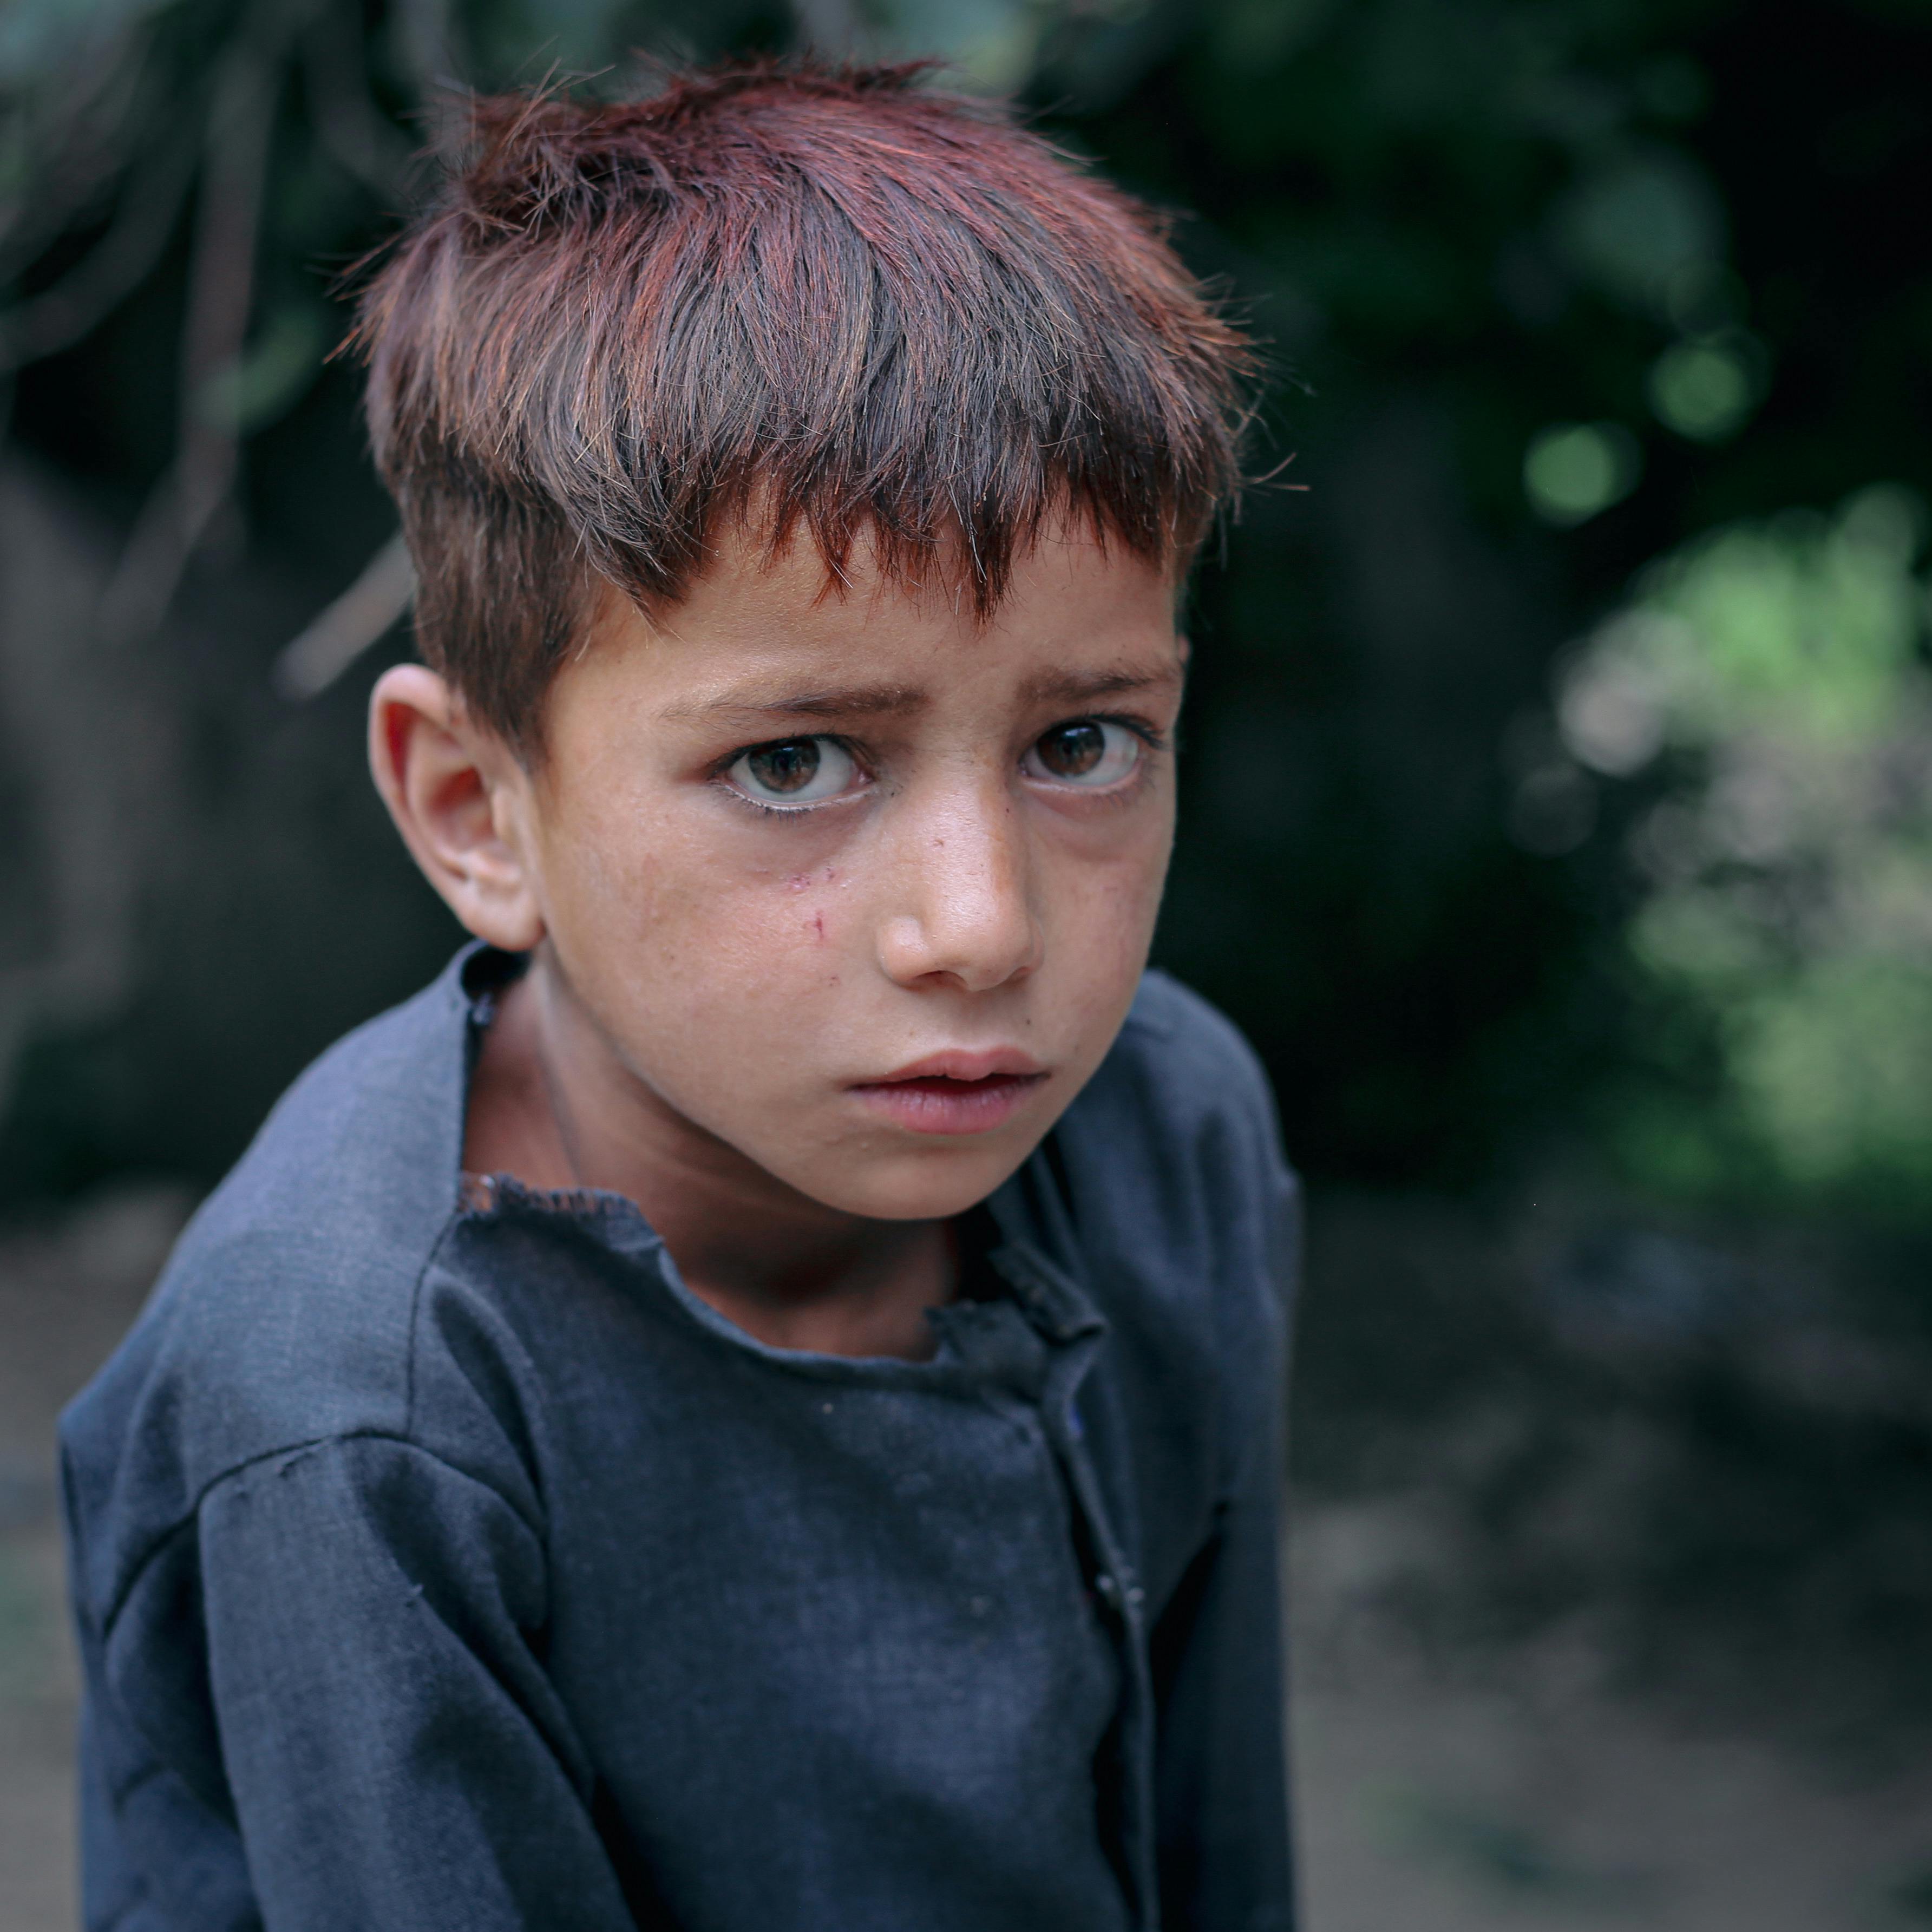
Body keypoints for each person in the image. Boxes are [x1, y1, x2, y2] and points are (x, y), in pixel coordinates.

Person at [60, 58, 1297, 1932]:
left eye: (1082, 740)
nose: (981, 926)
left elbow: (1216, 1843)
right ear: (479, 812)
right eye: (797, 764)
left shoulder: (1167, 1129)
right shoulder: (359, 1399)